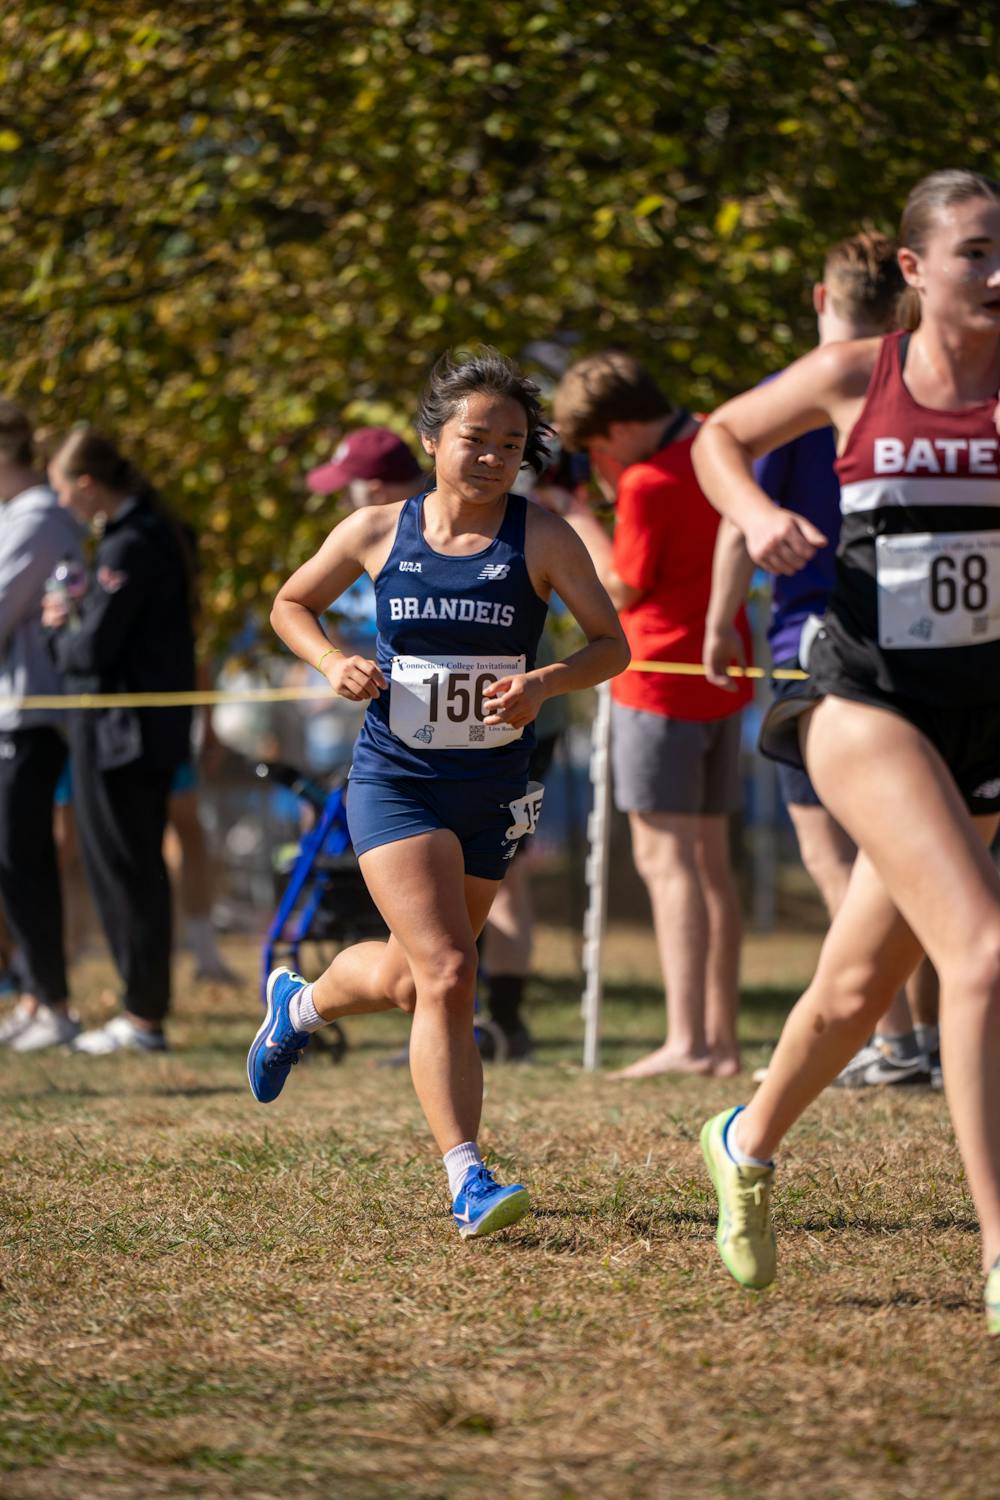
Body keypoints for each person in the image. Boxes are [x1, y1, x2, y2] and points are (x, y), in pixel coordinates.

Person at [691, 169, 1000, 1333]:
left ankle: (743, 1138)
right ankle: (997, 1250)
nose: (997, 272)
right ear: (915, 273)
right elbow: (718, 435)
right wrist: (756, 515)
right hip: (865, 701)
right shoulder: (854, 374)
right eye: (975, 252)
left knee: (858, 984)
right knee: (980, 950)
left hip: (983, 715)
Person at [247, 347, 628, 1239]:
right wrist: (334, 660)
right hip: (397, 781)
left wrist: (544, 684)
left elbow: (612, 646)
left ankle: (297, 1006)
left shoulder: (541, 537)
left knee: (420, 982)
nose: (492, 454)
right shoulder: (378, 532)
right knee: (453, 970)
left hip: (494, 785)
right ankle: (469, 1178)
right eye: (474, 437)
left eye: (511, 441)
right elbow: (289, 606)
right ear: (432, 441)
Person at [703, 232, 939, 1089]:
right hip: (916, 636)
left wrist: (719, 624)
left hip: (813, 640)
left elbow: (739, 517)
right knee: (908, 850)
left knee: (836, 855)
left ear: (819, 298)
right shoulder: (926, 379)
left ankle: (895, 1042)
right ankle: (923, 1037)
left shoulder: (803, 390)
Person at [550, 352, 752, 1077]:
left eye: (600, 443)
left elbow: (622, 587)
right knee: (710, 865)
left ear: (627, 426)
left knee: (665, 863)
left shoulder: (648, 480)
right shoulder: (717, 447)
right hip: (721, 676)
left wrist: (578, 515)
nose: (598, 459)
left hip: (659, 681)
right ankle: (719, 1039)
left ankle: (685, 1040)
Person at [43, 429, 195, 1054]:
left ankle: (142, 1016)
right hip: (131, 734)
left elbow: (91, 652)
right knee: (128, 867)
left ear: (86, 484)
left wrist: (59, 626)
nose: (63, 505)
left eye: (62, 491)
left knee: (125, 869)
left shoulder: (132, 543)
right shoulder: (151, 532)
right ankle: (142, 1010)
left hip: (123, 737)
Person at [0, 399, 85, 1052]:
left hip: (29, 715)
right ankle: (34, 995)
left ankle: (53, 1001)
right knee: (12, 861)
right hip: (14, 711)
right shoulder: (17, 518)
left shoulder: (38, 520)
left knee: (23, 859)